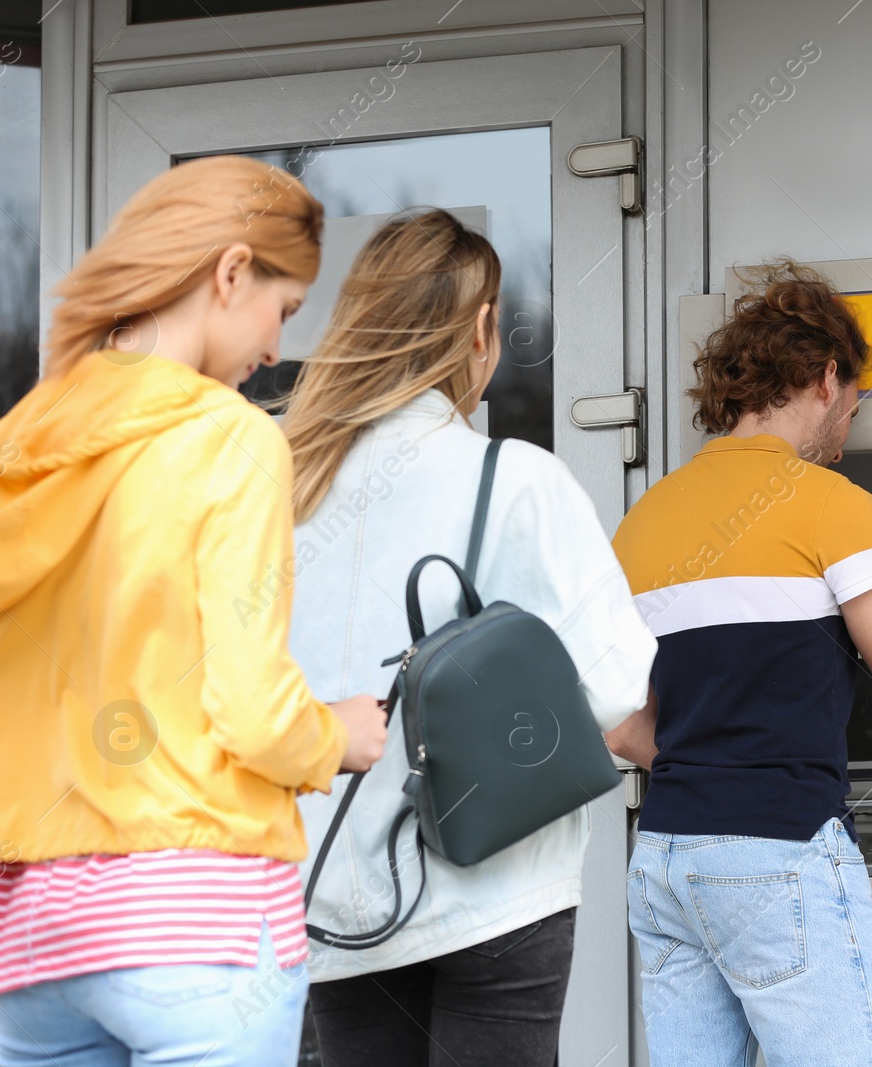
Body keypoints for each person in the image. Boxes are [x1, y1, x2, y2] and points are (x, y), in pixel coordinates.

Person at [0, 156, 389, 1067]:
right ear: (231, 271)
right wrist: (334, 737)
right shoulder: (228, 438)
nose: (279, 350)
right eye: (283, 309)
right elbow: (248, 705)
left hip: (25, 932)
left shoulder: (8, 445)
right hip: (195, 918)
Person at [605, 260, 872, 1067]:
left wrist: (713, 755)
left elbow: (623, 729)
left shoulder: (644, 520)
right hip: (780, 851)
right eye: (855, 405)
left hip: (666, 862)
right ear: (827, 376)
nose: (849, 428)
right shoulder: (833, 504)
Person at [284, 209, 657, 1067]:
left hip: (338, 893)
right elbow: (615, 683)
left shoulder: (280, 489)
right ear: (480, 329)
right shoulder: (515, 477)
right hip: (497, 887)